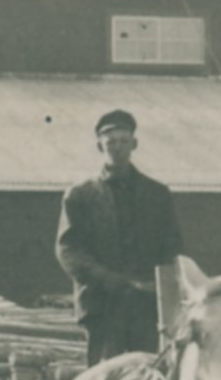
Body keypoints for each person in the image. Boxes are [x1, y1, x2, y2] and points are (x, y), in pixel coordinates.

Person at [55, 106, 185, 365]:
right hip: (103, 306)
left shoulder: (157, 195)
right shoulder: (80, 195)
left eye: (124, 141)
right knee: (106, 379)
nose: (117, 147)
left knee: (151, 374)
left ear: (134, 144)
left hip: (148, 308)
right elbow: (68, 251)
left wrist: (164, 291)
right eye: (110, 141)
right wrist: (108, 279)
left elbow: (172, 247)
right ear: (99, 147)